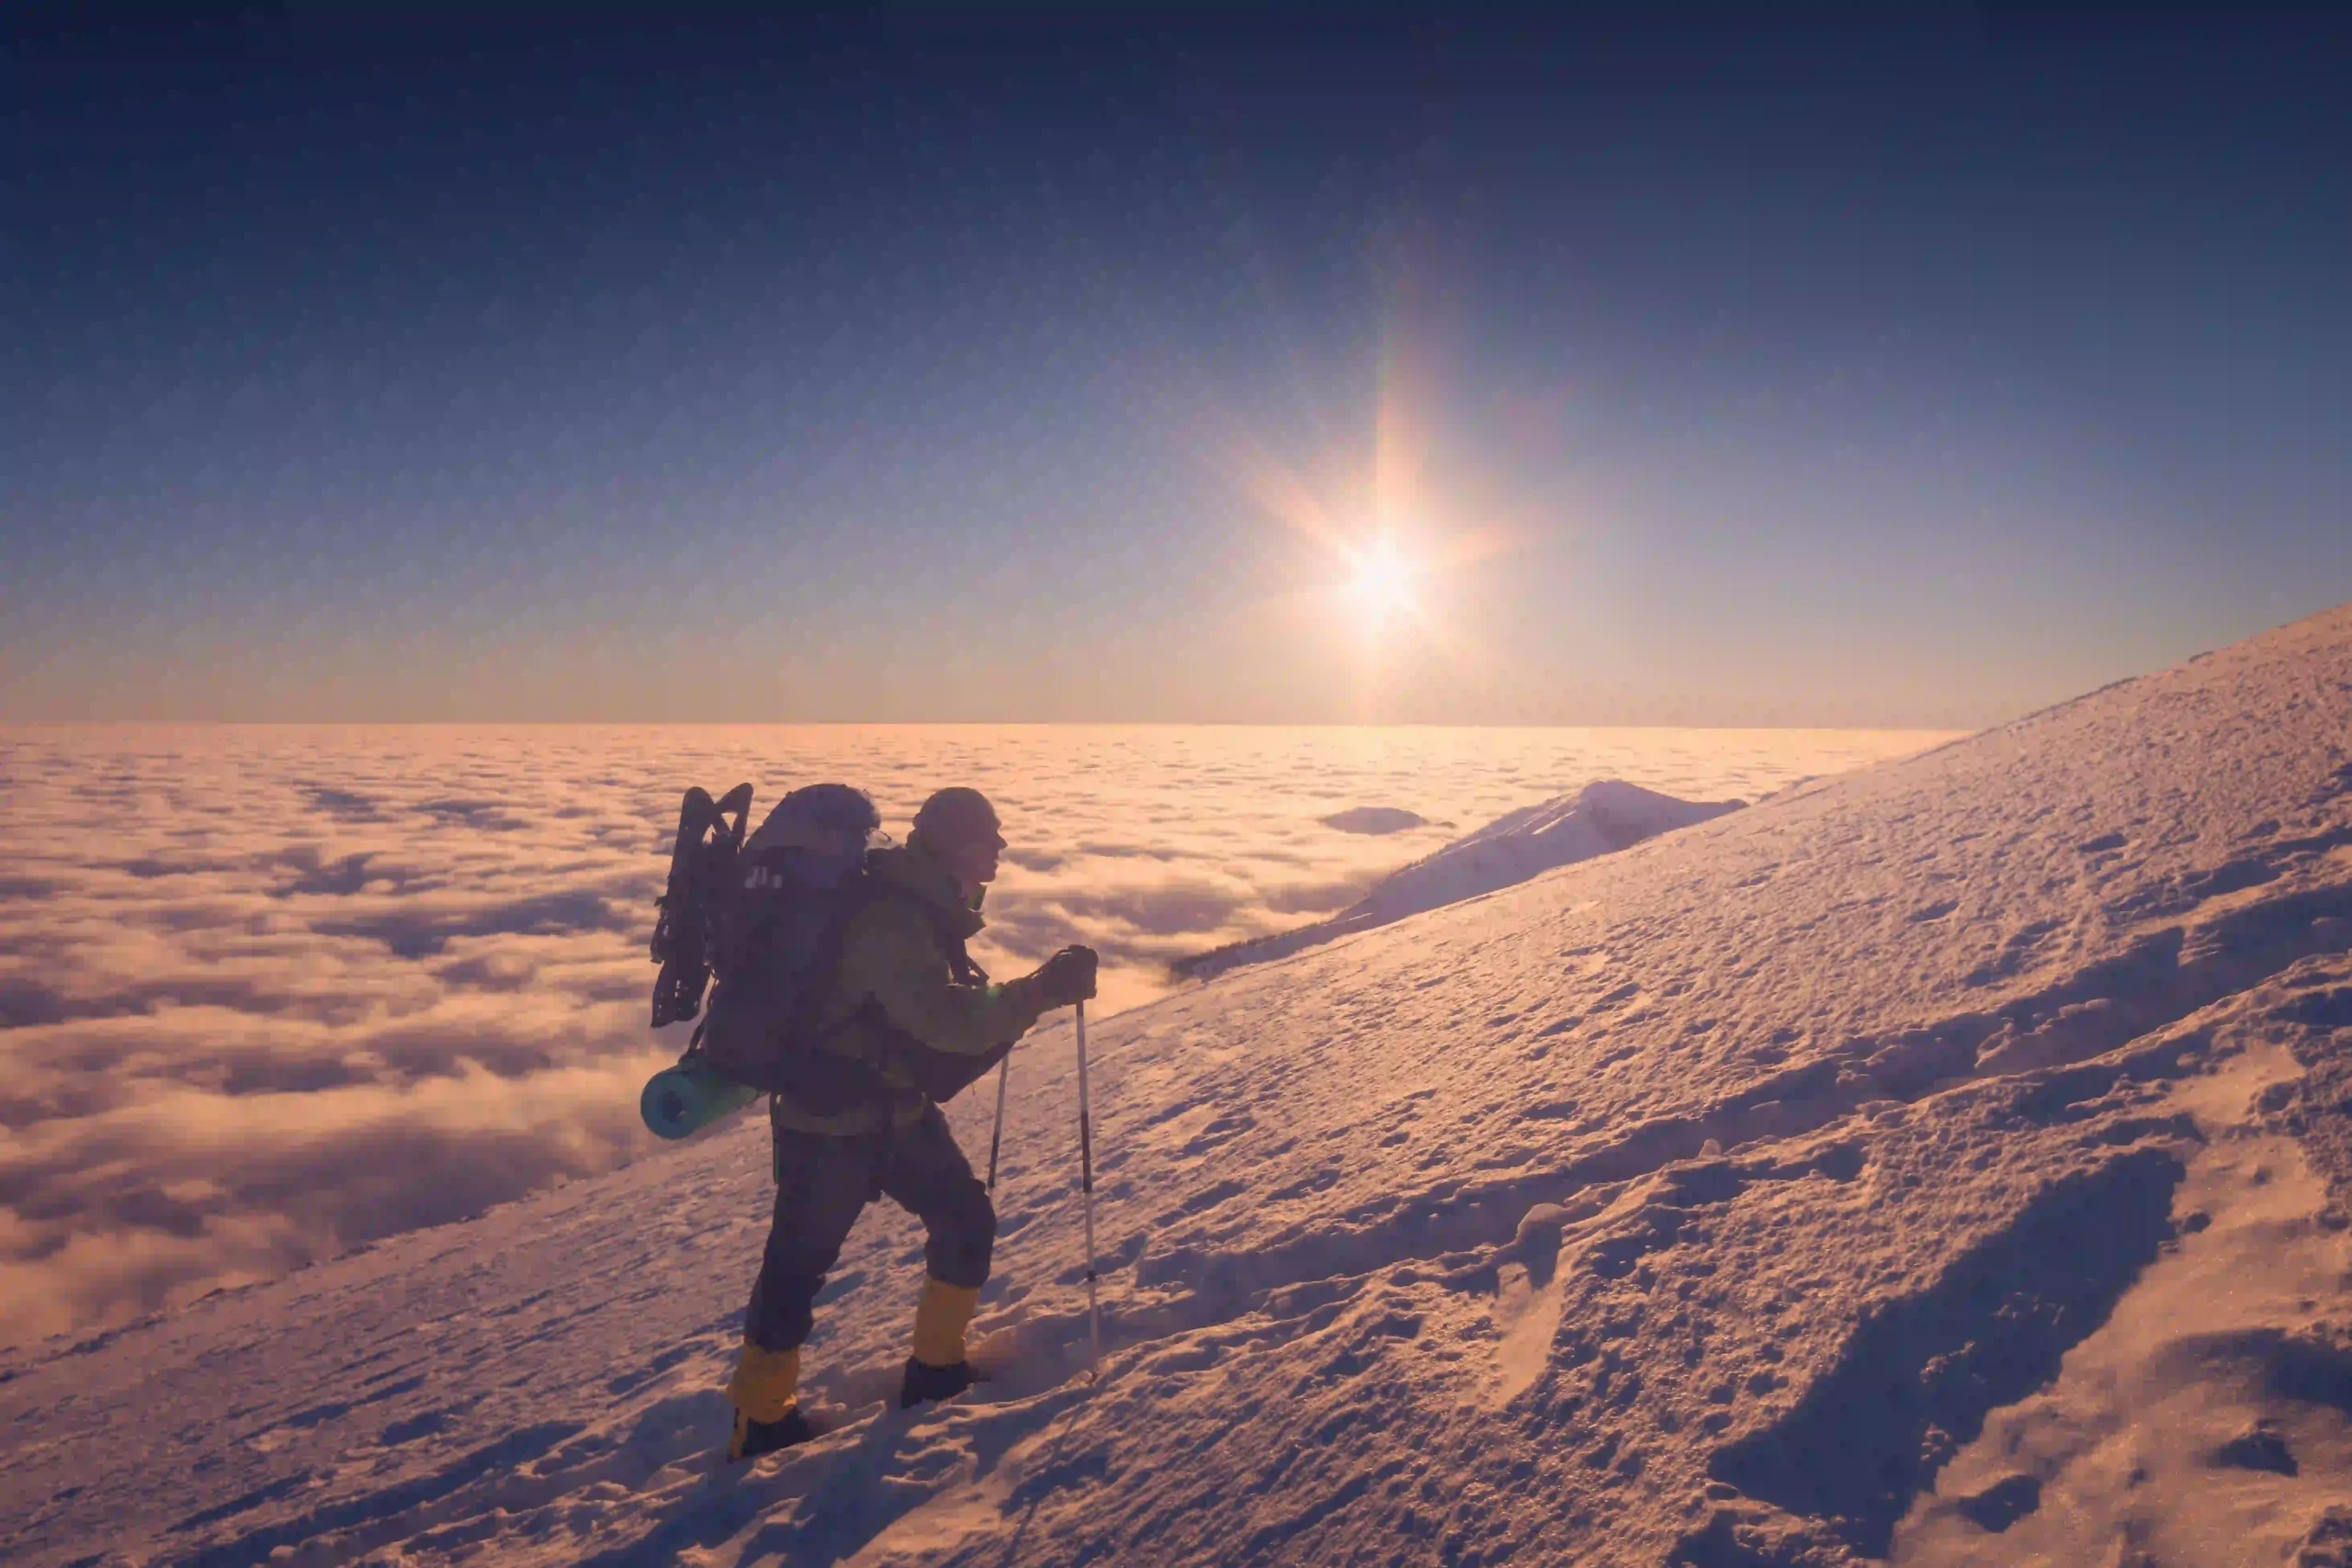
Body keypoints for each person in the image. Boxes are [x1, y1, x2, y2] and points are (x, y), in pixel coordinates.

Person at [726, 785, 1097, 1461]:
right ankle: (760, 1419)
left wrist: (1028, 993)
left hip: (892, 1107)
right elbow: (944, 1021)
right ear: (955, 844)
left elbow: (937, 1008)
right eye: (989, 836)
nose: (1001, 849)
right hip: (831, 1122)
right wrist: (1038, 992)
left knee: (963, 1219)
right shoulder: (893, 920)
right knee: (795, 1269)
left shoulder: (923, 907)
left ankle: (936, 1370)